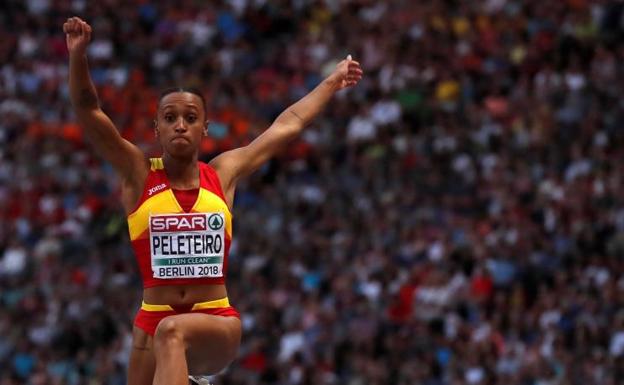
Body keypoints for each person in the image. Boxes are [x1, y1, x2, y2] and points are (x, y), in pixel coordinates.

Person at [63, 16, 363, 385]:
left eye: (191, 118)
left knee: (172, 333)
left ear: (205, 127)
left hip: (215, 319)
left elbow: (289, 124)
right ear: (156, 127)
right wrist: (78, 55)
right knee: (165, 332)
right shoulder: (138, 173)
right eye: (170, 118)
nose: (180, 125)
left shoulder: (222, 174)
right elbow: (88, 110)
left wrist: (332, 82)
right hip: (151, 321)